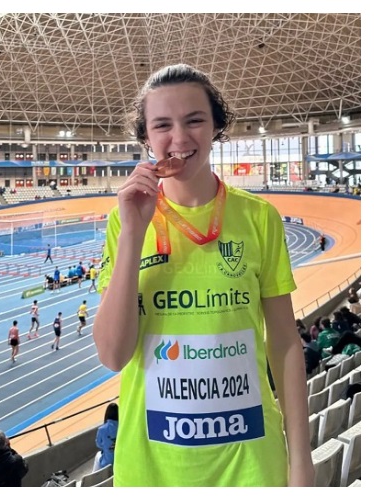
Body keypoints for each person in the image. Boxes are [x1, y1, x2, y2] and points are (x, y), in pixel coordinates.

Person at [93, 64, 312, 486]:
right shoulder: (125, 222)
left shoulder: (258, 217)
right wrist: (135, 230)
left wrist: (300, 461)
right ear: (145, 138)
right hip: (152, 465)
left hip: (251, 460)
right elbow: (112, 355)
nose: (179, 138)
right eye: (162, 125)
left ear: (216, 127)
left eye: (194, 120)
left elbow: (284, 344)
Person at [95, 402, 119, 471]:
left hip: (108, 462)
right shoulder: (122, 426)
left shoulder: (102, 429)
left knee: (98, 456)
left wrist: (108, 446)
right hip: (121, 459)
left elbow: (99, 444)